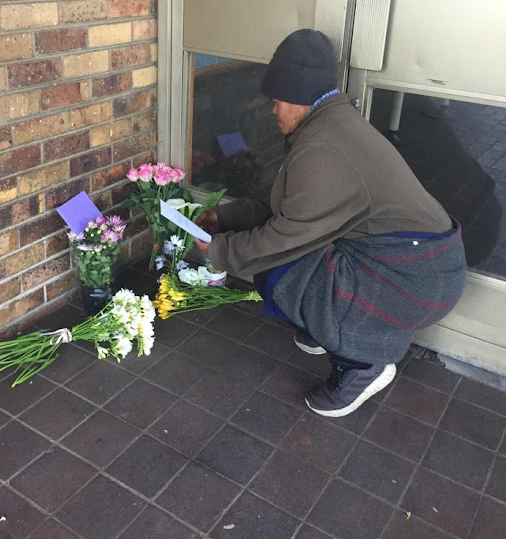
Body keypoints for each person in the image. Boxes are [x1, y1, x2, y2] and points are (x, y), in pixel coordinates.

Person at [195, 29, 467, 417]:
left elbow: (286, 237)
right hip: (415, 266)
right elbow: (293, 212)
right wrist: (226, 217)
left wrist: (221, 251)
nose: (273, 110)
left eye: (278, 100)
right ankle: (331, 328)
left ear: (301, 97)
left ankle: (363, 365)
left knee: (280, 267)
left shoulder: (321, 147)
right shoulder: (330, 122)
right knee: (286, 256)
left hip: (415, 282)